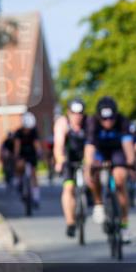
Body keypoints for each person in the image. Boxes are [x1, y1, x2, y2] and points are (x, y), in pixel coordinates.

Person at [84, 96, 136, 243]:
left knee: (120, 179)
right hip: (100, 151)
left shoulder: (122, 121)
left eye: (111, 119)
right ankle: (99, 203)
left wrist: (131, 163)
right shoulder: (92, 123)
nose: (108, 122)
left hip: (117, 151)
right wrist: (89, 167)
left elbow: (128, 146)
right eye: (104, 119)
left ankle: (124, 225)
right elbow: (89, 148)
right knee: (93, 173)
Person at [54, 98, 89, 238]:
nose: (77, 116)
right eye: (74, 113)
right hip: (69, 158)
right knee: (68, 188)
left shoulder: (88, 123)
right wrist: (59, 160)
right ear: (68, 113)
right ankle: (70, 222)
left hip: (85, 158)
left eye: (80, 113)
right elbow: (59, 144)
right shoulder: (62, 123)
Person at [13, 111, 42, 208]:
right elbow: (17, 145)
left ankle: (36, 196)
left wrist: (39, 152)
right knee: (19, 166)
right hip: (22, 154)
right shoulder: (18, 132)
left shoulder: (34, 132)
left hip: (31, 154)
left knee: (33, 174)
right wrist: (17, 156)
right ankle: (19, 182)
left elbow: (36, 143)